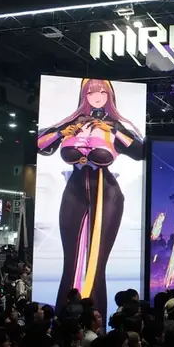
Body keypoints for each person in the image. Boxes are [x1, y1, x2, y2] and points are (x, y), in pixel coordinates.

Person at [37, 78, 145, 313]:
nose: (97, 97)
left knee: (96, 263)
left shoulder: (115, 126)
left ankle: (97, 323)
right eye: (92, 92)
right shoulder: (71, 124)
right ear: (84, 95)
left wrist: (115, 131)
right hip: (74, 192)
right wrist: (60, 132)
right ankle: (63, 321)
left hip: (107, 194)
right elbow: (40, 145)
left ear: (110, 96)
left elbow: (141, 152)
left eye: (103, 92)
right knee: (70, 263)